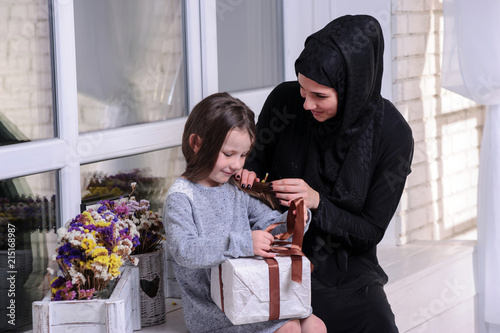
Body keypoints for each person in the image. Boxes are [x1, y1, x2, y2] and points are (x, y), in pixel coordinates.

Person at [239, 15, 414, 332]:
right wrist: (246, 171)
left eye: (319, 96)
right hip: (276, 251)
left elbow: (369, 232)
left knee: (376, 321)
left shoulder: (393, 135)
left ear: (353, 90)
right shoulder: (285, 101)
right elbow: (253, 161)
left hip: (346, 266)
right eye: (303, 89)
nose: (306, 104)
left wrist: (317, 200)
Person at [163, 92, 326, 333]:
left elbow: (268, 223)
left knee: (315, 326)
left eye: (243, 155)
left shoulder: (234, 189)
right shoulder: (182, 197)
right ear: (197, 144)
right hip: (215, 312)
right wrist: (244, 243)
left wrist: (293, 219)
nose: (237, 164)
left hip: (250, 295)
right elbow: (185, 251)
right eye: (228, 154)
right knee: (289, 328)